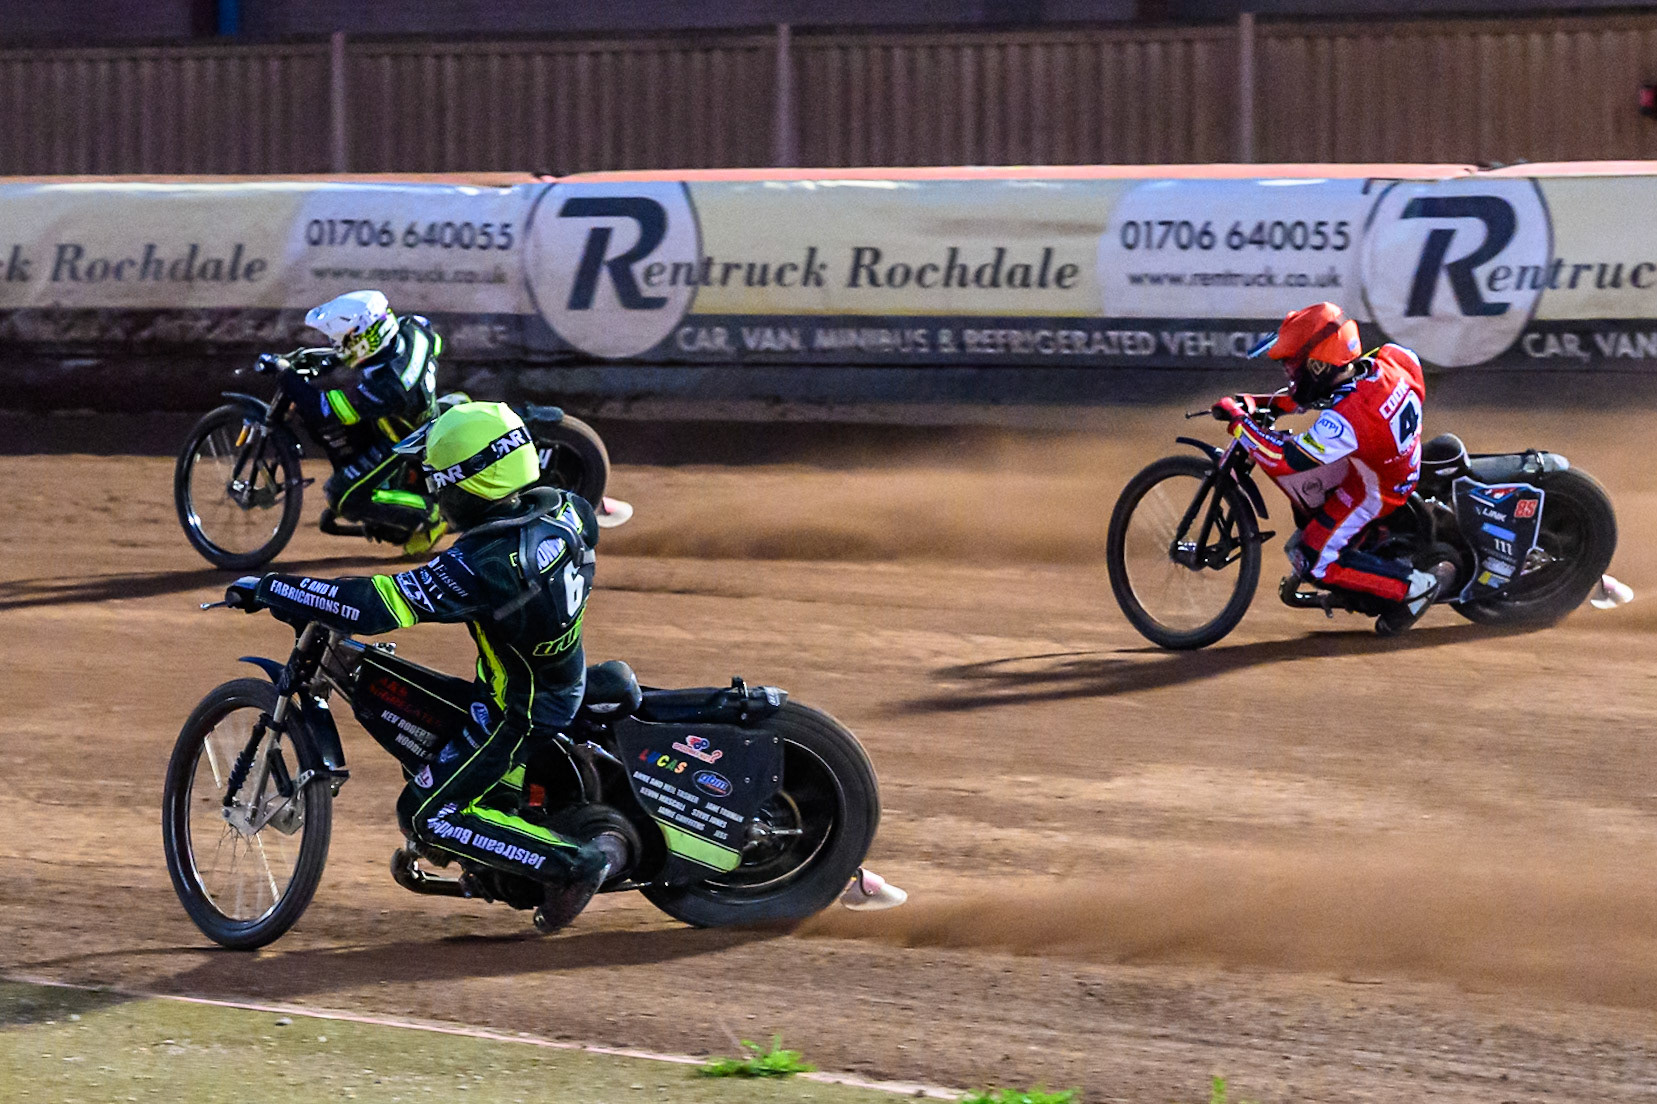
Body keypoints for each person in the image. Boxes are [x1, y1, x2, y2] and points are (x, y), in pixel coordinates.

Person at [225, 400, 611, 932]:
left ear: (471, 484)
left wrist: (274, 587)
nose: (433, 492)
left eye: (439, 481)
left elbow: (373, 608)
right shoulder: (565, 509)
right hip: (550, 676)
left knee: (426, 814)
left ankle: (575, 865)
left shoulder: (487, 565)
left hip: (519, 710)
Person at [1211, 302, 1439, 635]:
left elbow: (1285, 459)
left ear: (1318, 366)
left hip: (1375, 491)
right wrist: (1262, 403)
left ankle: (1412, 587)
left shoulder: (1347, 421)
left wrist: (1239, 422)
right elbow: (1335, 390)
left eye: (1294, 365)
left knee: (1313, 558)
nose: (1290, 373)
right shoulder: (1391, 359)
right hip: (1397, 459)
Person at [283, 290, 447, 555]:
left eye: (340, 341)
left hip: (404, 441)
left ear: (365, 338)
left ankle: (430, 515)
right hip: (423, 414)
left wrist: (287, 377)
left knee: (342, 496)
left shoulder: (388, 386)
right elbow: (435, 342)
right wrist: (330, 359)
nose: (335, 345)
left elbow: (325, 410)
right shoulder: (413, 328)